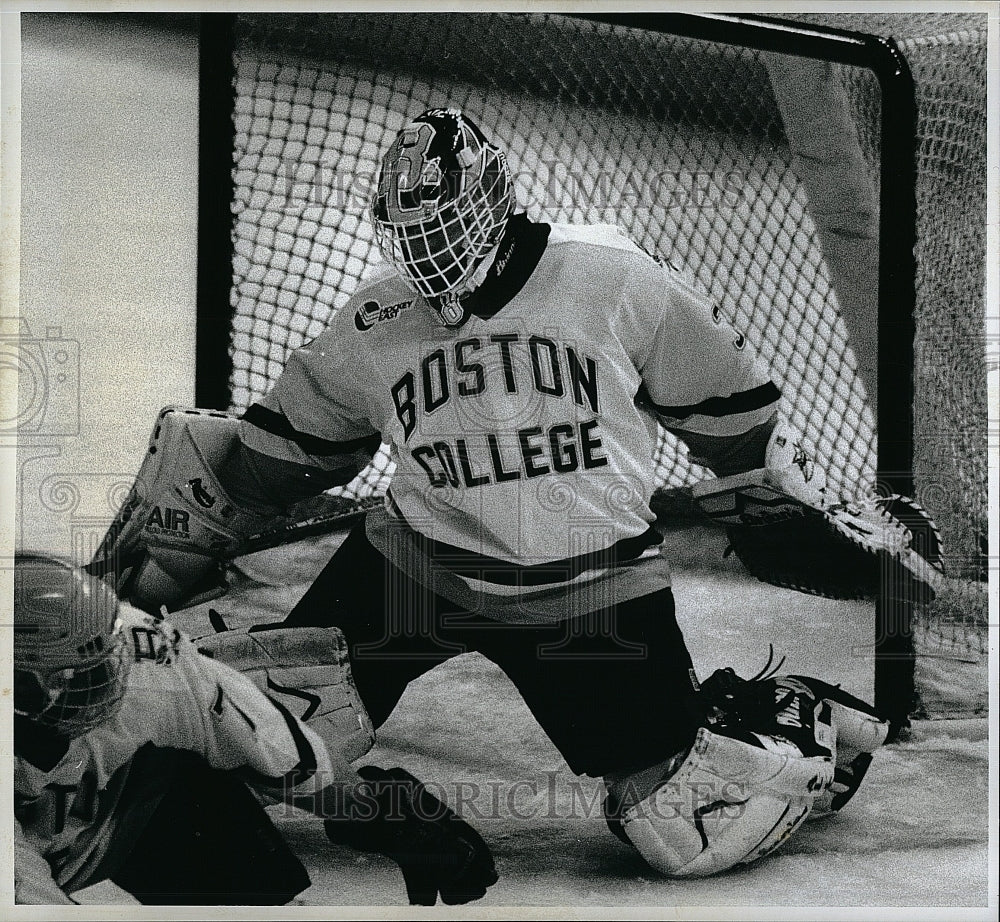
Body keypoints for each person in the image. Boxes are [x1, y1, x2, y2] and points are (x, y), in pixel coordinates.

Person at [101, 108, 893, 877]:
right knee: (248, 736)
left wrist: (774, 495)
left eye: (442, 226)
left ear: (494, 200)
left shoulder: (610, 275)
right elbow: (277, 456)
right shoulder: (378, 320)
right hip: (414, 573)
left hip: (591, 590)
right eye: (411, 233)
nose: (428, 249)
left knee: (683, 828)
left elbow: (732, 410)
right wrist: (173, 546)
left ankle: (786, 716)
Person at [13, 552, 498, 905]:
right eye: (74, 677)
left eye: (103, 660)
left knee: (183, 780)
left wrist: (382, 812)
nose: (104, 682)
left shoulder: (151, 659)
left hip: (100, 819)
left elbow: (275, 752)